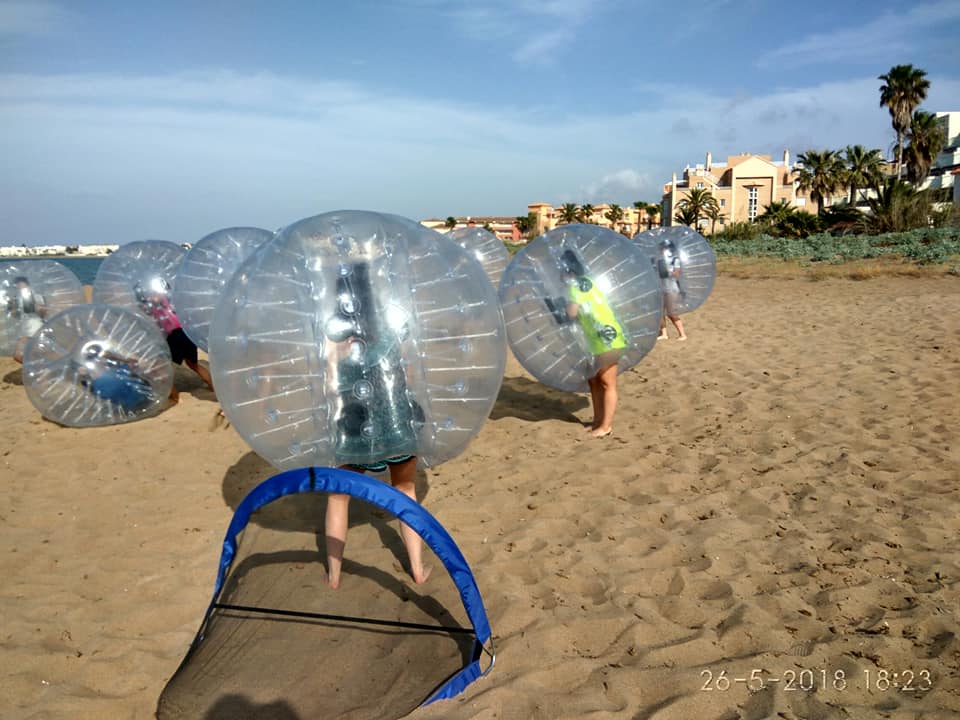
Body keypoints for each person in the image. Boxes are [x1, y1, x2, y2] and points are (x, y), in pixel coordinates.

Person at [322, 261, 430, 589]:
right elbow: (409, 374)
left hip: (354, 422)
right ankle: (417, 568)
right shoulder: (390, 324)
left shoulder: (332, 333)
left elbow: (329, 385)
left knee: (339, 496)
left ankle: (334, 576)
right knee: (406, 490)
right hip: (396, 419)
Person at [561, 249, 626, 438]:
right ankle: (597, 421)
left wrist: (562, 309)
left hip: (606, 337)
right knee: (594, 380)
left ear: (567, 269)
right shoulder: (590, 282)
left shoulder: (575, 286)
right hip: (598, 337)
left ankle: (606, 426)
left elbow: (572, 313)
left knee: (607, 382)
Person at [133, 279, 214, 403]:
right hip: (186, 333)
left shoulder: (162, 300)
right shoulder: (165, 302)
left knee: (163, 367)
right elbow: (145, 308)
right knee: (193, 364)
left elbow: (154, 301)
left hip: (177, 335)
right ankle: (211, 386)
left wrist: (143, 293)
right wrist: (139, 295)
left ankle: (175, 398)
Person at [8, 276, 46, 364]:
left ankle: (35, 367)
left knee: (21, 354)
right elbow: (14, 316)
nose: (21, 289)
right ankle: (35, 367)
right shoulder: (16, 299)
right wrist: (12, 305)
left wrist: (37, 307)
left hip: (35, 326)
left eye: (23, 287)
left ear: (28, 286)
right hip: (23, 328)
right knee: (19, 355)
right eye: (19, 287)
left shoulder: (37, 296)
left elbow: (44, 313)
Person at [656, 241, 688, 341]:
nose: (662, 250)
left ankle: (682, 334)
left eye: (664, 248)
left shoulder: (675, 259)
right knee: (660, 312)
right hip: (662, 288)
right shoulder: (659, 260)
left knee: (671, 313)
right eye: (661, 248)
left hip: (672, 289)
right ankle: (664, 334)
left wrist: (667, 272)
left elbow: (677, 273)